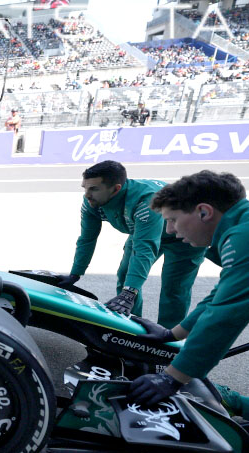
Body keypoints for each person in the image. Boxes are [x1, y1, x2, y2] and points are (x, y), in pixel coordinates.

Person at [129, 171, 249, 418]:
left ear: (204, 212)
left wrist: (173, 377)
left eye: (172, 219)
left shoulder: (242, 237)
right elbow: (220, 296)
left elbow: (224, 315)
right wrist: (172, 334)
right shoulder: (240, 227)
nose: (170, 230)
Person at [58, 161, 206, 327]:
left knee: (174, 288)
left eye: (94, 189)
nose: (87, 195)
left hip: (187, 235)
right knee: (125, 276)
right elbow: (87, 239)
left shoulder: (146, 200)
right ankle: (131, 327)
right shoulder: (92, 202)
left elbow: (145, 248)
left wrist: (129, 293)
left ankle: (169, 336)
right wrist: (75, 274)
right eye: (85, 188)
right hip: (145, 230)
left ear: (116, 189)